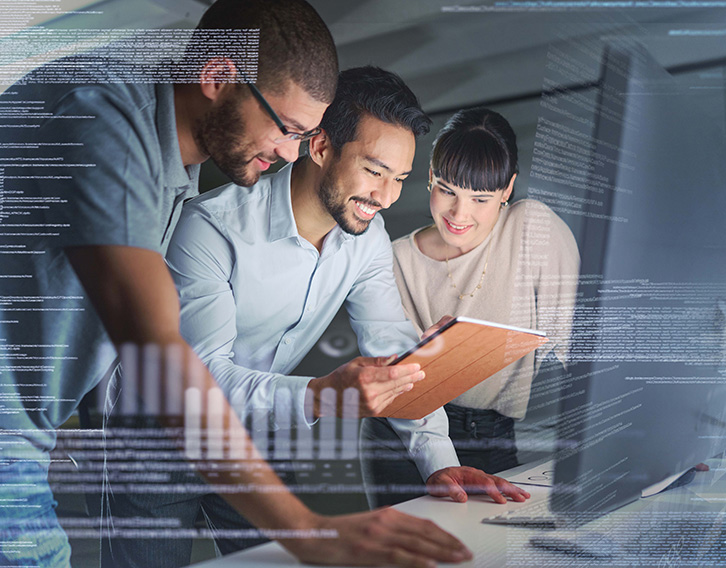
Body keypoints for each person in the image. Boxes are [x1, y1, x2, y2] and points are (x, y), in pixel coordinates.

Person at [0, 1, 472, 567]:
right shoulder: (106, 116)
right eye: (289, 129)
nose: (293, 153)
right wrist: (308, 531)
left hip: (33, 438)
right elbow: (161, 357)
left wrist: (436, 446)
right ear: (219, 77)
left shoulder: (173, 158)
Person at [162, 68, 530, 563]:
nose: (386, 196)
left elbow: (392, 351)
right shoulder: (208, 229)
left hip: (257, 436)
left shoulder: (367, 241)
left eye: (399, 179)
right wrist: (320, 396)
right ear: (319, 147)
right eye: (374, 171)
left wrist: (439, 464)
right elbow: (202, 381)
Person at [361, 108, 580, 507]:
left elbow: (578, 351)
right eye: (447, 190)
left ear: (507, 188)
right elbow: (393, 379)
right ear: (429, 175)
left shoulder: (532, 229)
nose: (459, 215)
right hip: (404, 439)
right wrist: (429, 362)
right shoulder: (395, 260)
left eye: (481, 198)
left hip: (493, 431)